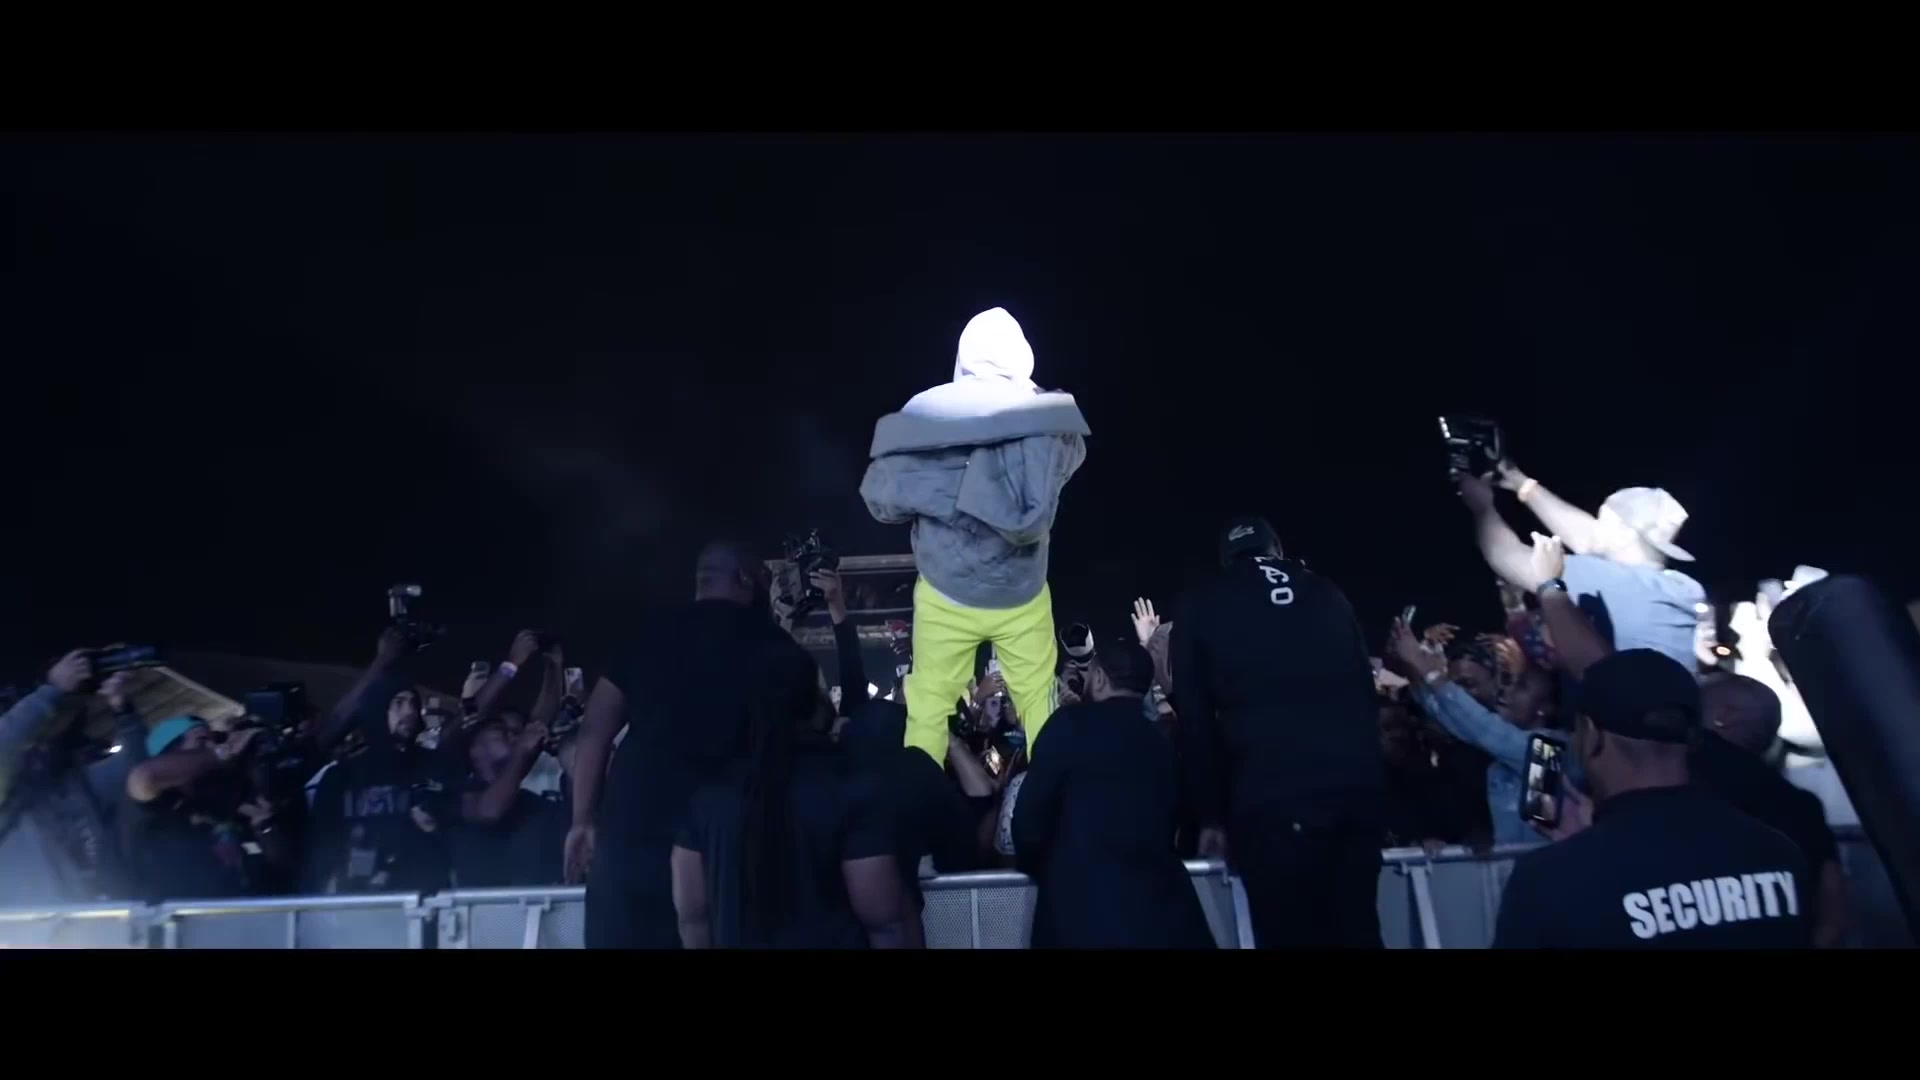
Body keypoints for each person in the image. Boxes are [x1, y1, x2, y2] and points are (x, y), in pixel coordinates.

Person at [860, 306, 1090, 765]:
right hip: (1021, 592)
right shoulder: (1048, 417)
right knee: (1039, 701)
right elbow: (1069, 462)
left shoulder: (924, 413)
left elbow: (883, 502)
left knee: (927, 706)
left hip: (946, 590)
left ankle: (915, 801)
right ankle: (1058, 795)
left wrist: (949, 489)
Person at [566, 539, 815, 949]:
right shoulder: (778, 649)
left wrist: (581, 820)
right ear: (745, 580)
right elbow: (803, 739)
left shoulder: (646, 635)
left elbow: (595, 729)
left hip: (633, 836)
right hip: (729, 847)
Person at [1492, 650, 1811, 948]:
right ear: (1694, 738)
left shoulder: (1548, 882)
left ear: (1591, 736)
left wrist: (1584, 855)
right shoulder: (1777, 854)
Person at [1170, 516, 1384, 948]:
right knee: (1359, 931)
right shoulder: (1327, 593)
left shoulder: (1202, 603)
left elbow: (1196, 721)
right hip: (1355, 797)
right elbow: (1366, 694)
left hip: (1273, 802)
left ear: (1226, 560)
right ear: (1278, 550)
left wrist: (1211, 816)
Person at [669, 643, 916, 948]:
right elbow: (884, 923)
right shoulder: (852, 787)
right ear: (815, 702)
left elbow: (692, 918)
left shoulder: (708, 796)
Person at [1012, 638, 1216, 948]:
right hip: (1162, 917)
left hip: (1079, 918)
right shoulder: (1160, 743)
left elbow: (1028, 825)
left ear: (1099, 678)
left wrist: (1050, 871)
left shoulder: (1067, 726)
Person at [1459, 463, 1705, 669]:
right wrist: (1521, 483)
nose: (1594, 524)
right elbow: (1585, 539)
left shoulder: (1611, 580)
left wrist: (1482, 506)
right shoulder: (1680, 587)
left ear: (1624, 533)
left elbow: (1504, 556)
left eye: (1602, 518)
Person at [1691, 673, 1851, 947]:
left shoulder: (1677, 774)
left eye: (1693, 707)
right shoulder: (1802, 806)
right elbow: (1833, 909)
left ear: (1724, 717)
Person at [0, 655, 150, 905]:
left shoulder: (76, 783)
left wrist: (123, 709)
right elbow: (6, 742)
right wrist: (51, 690)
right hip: (33, 924)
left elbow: (137, 770)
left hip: (104, 918)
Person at [123, 716, 293, 900]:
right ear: (171, 753)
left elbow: (283, 871)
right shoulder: (159, 805)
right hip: (184, 915)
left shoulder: (227, 798)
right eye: (202, 741)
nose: (212, 747)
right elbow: (144, 777)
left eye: (214, 741)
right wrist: (223, 752)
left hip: (251, 911)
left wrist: (266, 828)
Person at [301, 684, 450, 894]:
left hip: (423, 898)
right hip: (358, 899)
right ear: (377, 709)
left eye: (413, 704)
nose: (409, 712)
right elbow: (321, 845)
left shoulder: (434, 765)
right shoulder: (341, 775)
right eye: (398, 703)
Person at [447, 715, 564, 887]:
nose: (514, 737)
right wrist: (521, 750)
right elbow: (489, 811)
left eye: (516, 733)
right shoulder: (459, 793)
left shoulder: (533, 802)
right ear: (475, 750)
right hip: (483, 901)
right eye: (501, 733)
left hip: (540, 899)